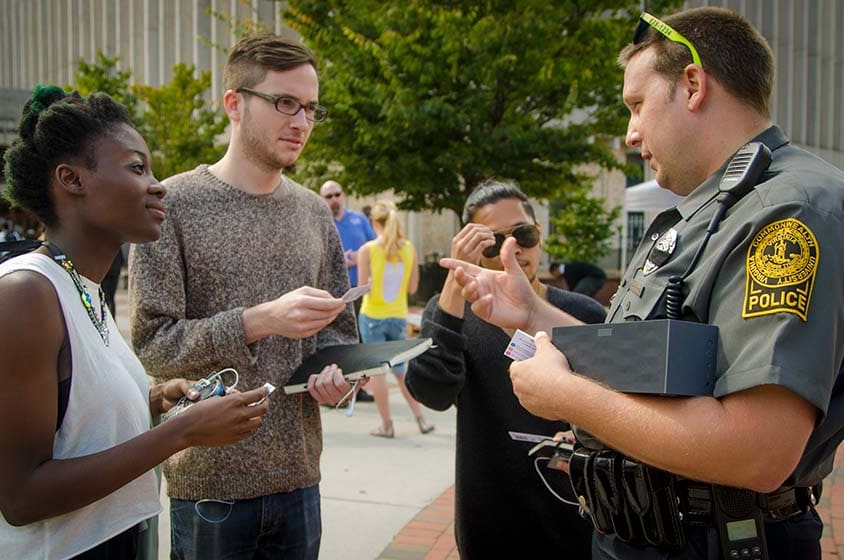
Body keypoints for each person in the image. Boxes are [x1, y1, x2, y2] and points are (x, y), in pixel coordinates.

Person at [441, 7, 843, 559]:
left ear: (694, 85)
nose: (630, 134)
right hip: (652, 529)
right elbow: (656, 361)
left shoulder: (786, 212)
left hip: (714, 539)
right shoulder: (713, 207)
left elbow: (758, 450)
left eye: (636, 105)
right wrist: (535, 315)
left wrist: (566, 397)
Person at [0, 85, 269, 560]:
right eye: (137, 167)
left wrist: (156, 400)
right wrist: (182, 434)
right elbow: (22, 497)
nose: (158, 184)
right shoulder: (24, 296)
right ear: (71, 179)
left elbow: (72, 423)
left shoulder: (82, 288)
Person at [130, 34, 362, 560]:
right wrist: (258, 320)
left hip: (301, 476)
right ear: (234, 103)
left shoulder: (312, 213)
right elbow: (153, 346)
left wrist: (341, 379)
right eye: (285, 103)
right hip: (209, 484)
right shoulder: (173, 205)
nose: (301, 121)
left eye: (310, 108)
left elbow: (340, 336)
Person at [405, 180, 600, 559]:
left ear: (539, 233)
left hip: (573, 515)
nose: (515, 249)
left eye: (524, 234)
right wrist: (453, 286)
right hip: (490, 518)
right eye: (495, 241)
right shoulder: (452, 311)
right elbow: (431, 391)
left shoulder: (581, 313)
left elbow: (624, 392)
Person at [357, 199, 433, 438]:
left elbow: (362, 288)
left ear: (373, 222)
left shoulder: (367, 250)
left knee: (378, 373)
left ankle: (387, 425)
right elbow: (412, 288)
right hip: (398, 317)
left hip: (372, 316)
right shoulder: (409, 248)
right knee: (401, 372)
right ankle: (420, 418)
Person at [320, 179, 376, 402]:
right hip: (333, 295)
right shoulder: (322, 222)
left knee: (357, 341)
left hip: (358, 291)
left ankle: (356, 388)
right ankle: (334, 389)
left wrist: (362, 259)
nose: (334, 199)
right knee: (336, 342)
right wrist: (340, 261)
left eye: (337, 194)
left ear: (343, 195)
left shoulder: (359, 219)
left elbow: (375, 247)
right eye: (329, 196)